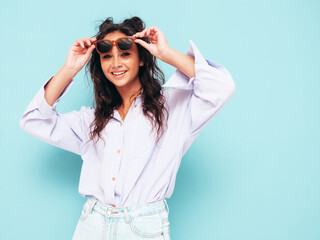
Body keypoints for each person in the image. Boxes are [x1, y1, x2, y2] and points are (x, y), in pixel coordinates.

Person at [19, 16, 236, 240]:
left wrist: (166, 53)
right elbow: (34, 120)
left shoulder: (174, 109)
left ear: (141, 58)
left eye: (125, 54)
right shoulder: (92, 121)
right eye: (106, 57)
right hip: (92, 224)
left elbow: (221, 86)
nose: (115, 64)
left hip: (143, 227)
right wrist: (69, 68)